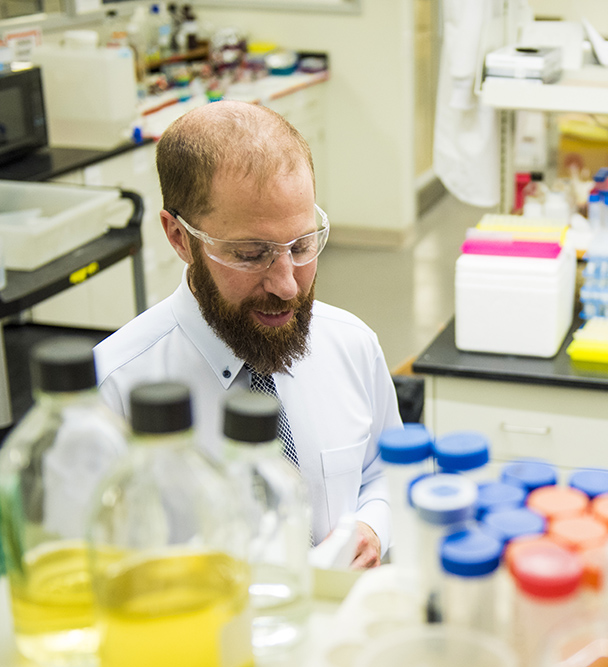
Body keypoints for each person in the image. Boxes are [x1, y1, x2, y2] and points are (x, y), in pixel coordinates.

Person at [94, 100, 402, 568]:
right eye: (251, 254)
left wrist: (372, 525)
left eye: (301, 246)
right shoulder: (112, 394)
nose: (286, 286)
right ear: (179, 237)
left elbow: (386, 472)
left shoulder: (352, 345)